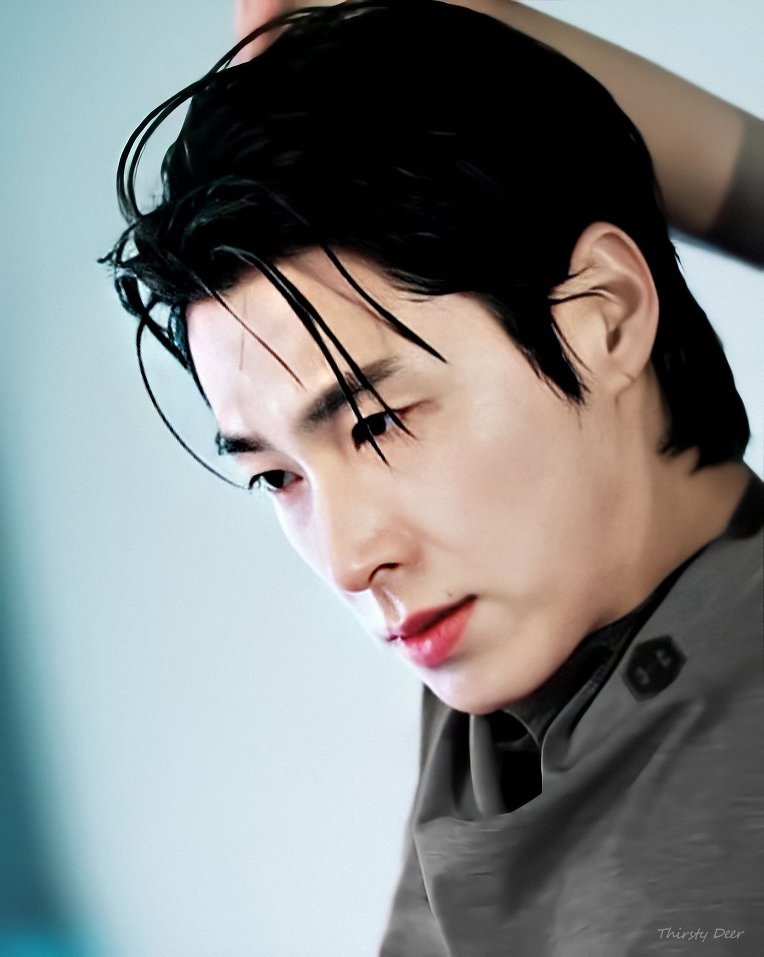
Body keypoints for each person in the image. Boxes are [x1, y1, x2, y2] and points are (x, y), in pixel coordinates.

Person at [103, 1, 763, 952]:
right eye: (278, 477)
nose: (348, 558)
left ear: (607, 316)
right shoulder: (524, 634)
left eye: (377, 424)